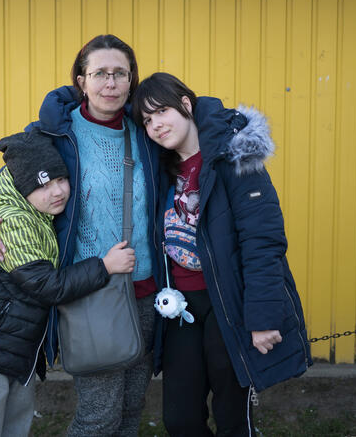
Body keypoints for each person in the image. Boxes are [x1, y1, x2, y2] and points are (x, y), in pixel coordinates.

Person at [0, 35, 161, 436]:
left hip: (148, 290)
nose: (110, 83)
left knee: (132, 409)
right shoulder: (57, 133)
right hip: (89, 292)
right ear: (81, 80)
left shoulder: (149, 130)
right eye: (100, 73)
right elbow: (8, 173)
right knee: (98, 416)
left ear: (132, 80)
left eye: (120, 73)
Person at [132, 72, 312, 437]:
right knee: (180, 419)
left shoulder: (234, 157)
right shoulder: (159, 169)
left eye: (161, 112)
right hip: (181, 308)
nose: (155, 126)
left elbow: (263, 241)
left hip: (229, 304)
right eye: (147, 120)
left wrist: (262, 317)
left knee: (232, 417)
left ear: (186, 105)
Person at [0, 129, 137, 437]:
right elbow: (47, 285)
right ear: (22, 188)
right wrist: (105, 266)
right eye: (43, 185)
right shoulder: (11, 222)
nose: (56, 192)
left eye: (60, 180)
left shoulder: (38, 214)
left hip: (11, 349)